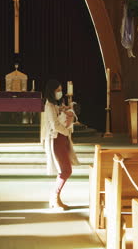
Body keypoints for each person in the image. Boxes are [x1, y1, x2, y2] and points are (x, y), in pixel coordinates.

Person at [43, 79, 80, 210]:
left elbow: (60, 115)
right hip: (56, 139)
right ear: (52, 91)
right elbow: (54, 125)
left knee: (65, 169)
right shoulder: (48, 105)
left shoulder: (54, 104)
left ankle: (55, 198)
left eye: (61, 90)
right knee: (66, 170)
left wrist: (66, 110)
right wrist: (67, 130)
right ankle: (54, 197)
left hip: (62, 138)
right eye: (58, 90)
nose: (60, 92)